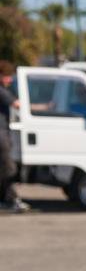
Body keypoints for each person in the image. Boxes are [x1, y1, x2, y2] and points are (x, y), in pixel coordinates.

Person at [0, 62, 30, 212]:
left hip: (4, 132)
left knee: (4, 168)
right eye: (7, 77)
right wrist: (41, 107)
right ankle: (11, 199)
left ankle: (6, 199)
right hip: (1, 134)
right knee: (9, 168)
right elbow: (17, 105)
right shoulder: (2, 91)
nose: (10, 80)